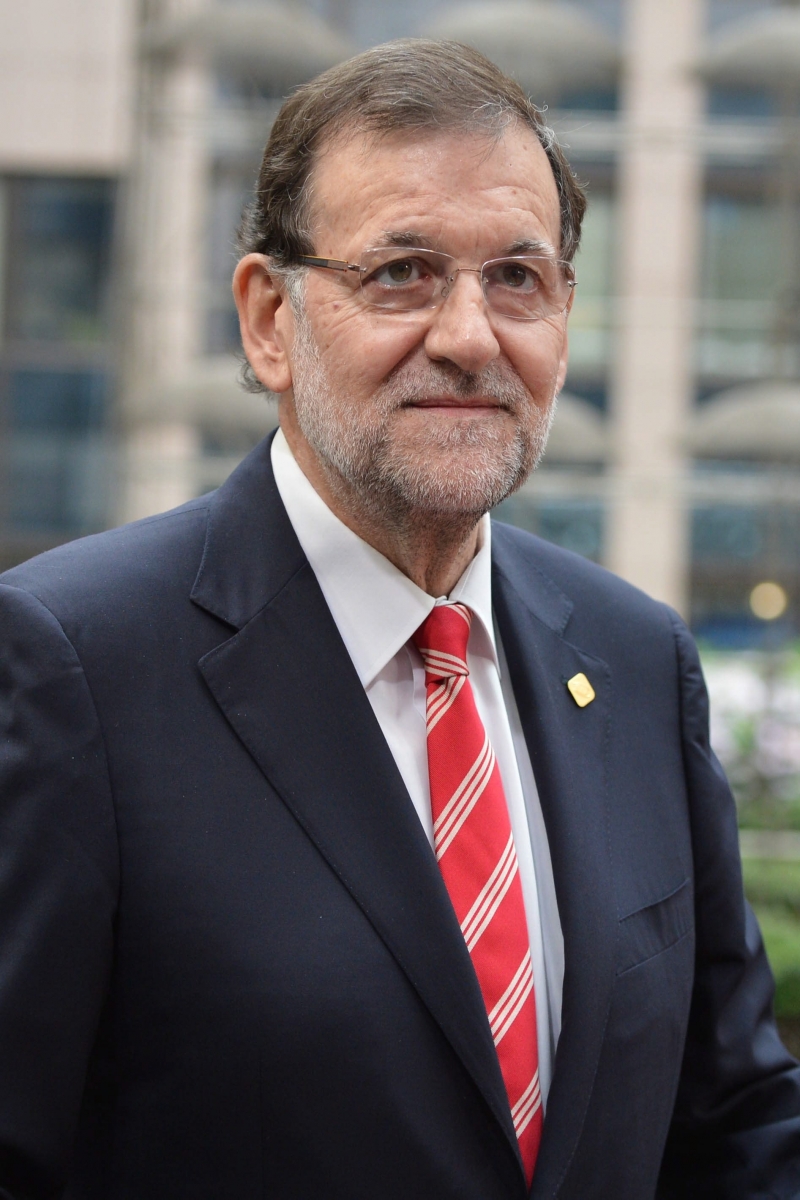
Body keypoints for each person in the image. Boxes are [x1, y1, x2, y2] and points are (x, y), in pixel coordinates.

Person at [1, 38, 799, 1200]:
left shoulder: (632, 658)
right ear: (269, 318)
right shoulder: (68, 663)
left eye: (516, 278)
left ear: (565, 318)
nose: (469, 337)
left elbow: (729, 1121)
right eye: (402, 273)